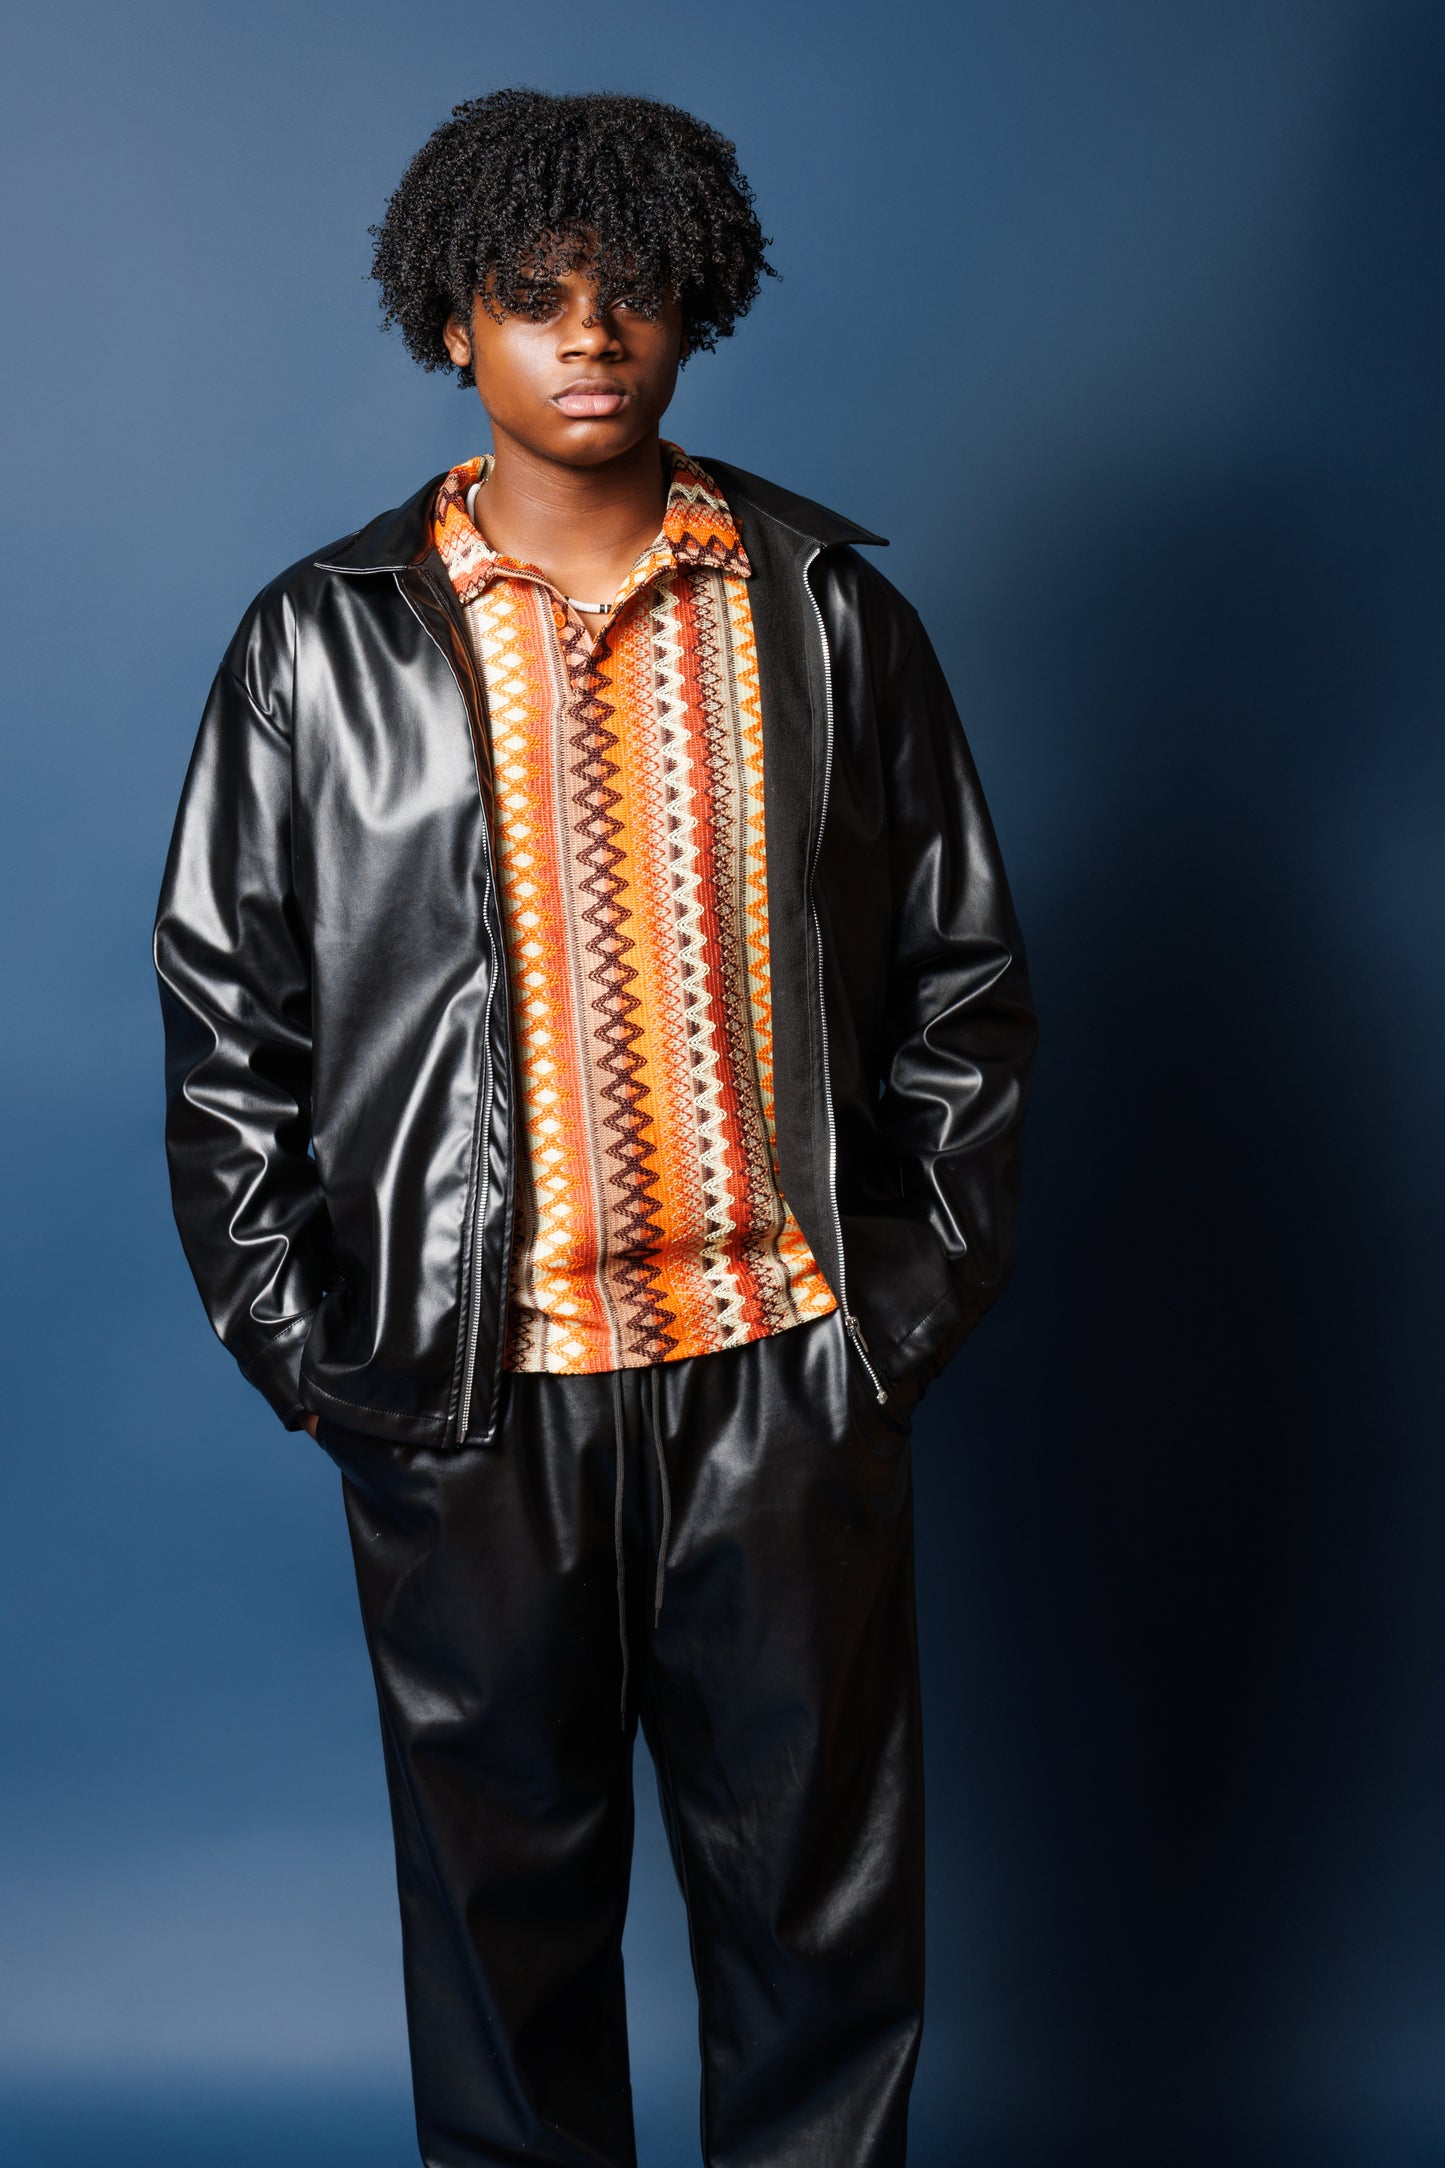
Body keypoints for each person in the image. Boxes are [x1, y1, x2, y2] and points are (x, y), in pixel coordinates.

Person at [153, 85, 1038, 2168]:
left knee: (821, 1941)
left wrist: (897, 1312)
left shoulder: (826, 615)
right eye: (533, 295)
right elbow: (223, 1026)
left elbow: (964, 982)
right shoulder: (317, 647)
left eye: (629, 290)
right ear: (452, 321)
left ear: (694, 305)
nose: (589, 335)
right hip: (475, 1396)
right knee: (502, 1948)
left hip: (782, 1373)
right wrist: (318, 1357)